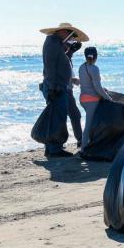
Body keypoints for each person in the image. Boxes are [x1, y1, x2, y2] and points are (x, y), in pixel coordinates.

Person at [39, 22, 89, 158]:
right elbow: (50, 67)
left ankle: (53, 148)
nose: (72, 38)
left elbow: (61, 62)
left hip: (60, 86)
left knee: (61, 117)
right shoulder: (52, 43)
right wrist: (53, 87)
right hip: (56, 87)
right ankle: (54, 149)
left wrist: (70, 52)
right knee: (57, 119)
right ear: (63, 31)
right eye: (71, 35)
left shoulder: (56, 43)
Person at [77, 47, 114, 152]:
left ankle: (90, 144)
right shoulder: (94, 68)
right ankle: (83, 149)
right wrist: (109, 98)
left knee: (92, 122)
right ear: (96, 56)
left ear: (85, 56)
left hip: (83, 99)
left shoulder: (81, 67)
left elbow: (87, 83)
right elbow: (97, 88)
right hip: (92, 101)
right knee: (88, 125)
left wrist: (103, 90)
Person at [64, 41, 84, 146]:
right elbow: (69, 78)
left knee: (70, 115)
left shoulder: (66, 57)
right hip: (65, 91)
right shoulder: (65, 58)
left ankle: (79, 138)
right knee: (75, 115)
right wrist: (83, 81)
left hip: (66, 90)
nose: (73, 52)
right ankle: (80, 139)